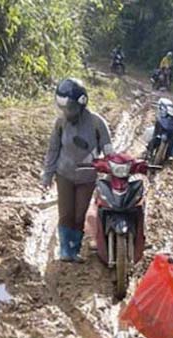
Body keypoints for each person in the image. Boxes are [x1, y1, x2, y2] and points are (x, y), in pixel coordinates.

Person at [42, 78, 113, 263]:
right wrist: (47, 175)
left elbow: (108, 150)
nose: (66, 112)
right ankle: (65, 250)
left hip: (87, 176)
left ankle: (75, 249)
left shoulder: (97, 123)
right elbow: (53, 150)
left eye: (70, 108)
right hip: (64, 173)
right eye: (63, 108)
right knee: (66, 213)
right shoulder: (60, 123)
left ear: (82, 103)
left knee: (79, 214)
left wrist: (110, 166)